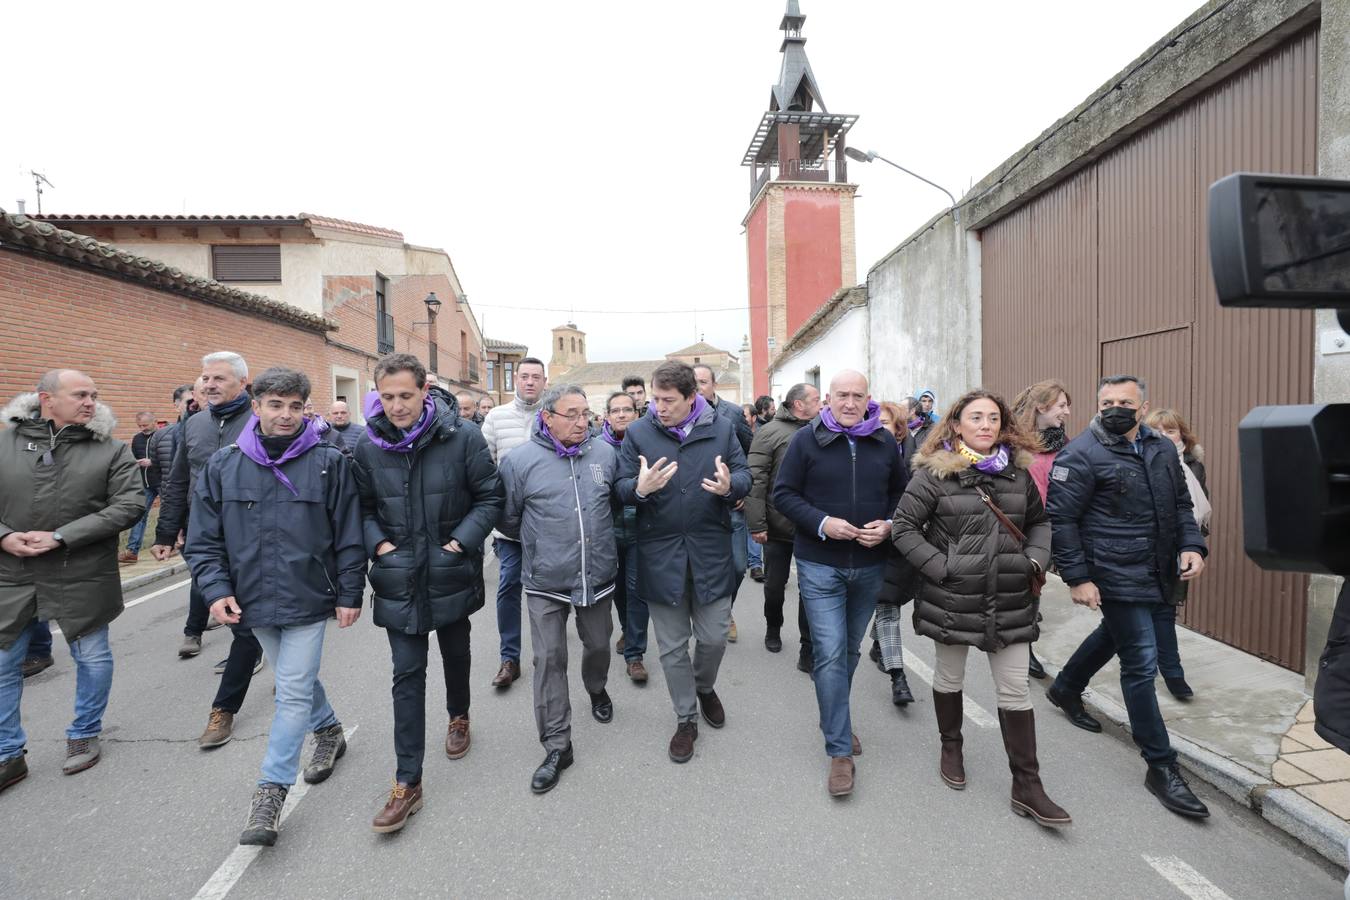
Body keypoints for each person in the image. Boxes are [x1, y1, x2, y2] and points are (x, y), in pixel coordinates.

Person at [183, 367, 364, 847]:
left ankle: (270, 791)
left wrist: (350, 592)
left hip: (308, 598)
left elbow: (349, 533)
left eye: (295, 406)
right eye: (275, 405)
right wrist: (216, 590)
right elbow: (204, 541)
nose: (285, 415)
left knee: (290, 692)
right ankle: (329, 731)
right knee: (293, 678)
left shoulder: (330, 462)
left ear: (307, 409)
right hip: (251, 601)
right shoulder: (223, 465)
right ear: (256, 405)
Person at [892, 389, 1070, 827]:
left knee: (1015, 689)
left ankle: (1027, 785)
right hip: (954, 597)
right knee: (950, 677)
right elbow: (903, 527)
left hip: (1010, 596)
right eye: (976, 417)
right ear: (956, 425)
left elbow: (1040, 522)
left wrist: (1036, 559)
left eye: (993, 417)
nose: (986, 424)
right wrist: (942, 568)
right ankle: (951, 745)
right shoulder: (934, 475)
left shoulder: (1017, 473)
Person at [1045, 375, 1210, 818]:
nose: (1115, 407)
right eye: (1106, 401)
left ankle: (1065, 687)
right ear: (1097, 406)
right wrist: (1077, 577)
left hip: (1157, 567)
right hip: (1112, 571)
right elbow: (1062, 521)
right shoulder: (1080, 453)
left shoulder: (1159, 447)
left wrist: (1192, 545)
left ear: (1143, 406)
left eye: (1125, 401)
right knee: (1141, 661)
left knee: (1115, 635)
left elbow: (1180, 505)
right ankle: (1160, 765)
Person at [353, 353, 503, 833]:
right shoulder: (368, 445)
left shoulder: (462, 437)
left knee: (456, 656)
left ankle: (459, 715)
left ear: (424, 391)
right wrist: (379, 544)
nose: (397, 406)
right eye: (388, 396)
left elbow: (490, 496)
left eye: (405, 395)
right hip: (399, 578)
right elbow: (361, 506)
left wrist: (461, 542)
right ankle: (407, 782)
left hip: (451, 571)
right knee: (406, 675)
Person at [0, 370, 144, 792]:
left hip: (81, 572)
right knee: (5, 665)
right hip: (13, 574)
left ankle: (84, 733)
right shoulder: (5, 443)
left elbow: (131, 503)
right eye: (81, 394)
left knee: (92, 655)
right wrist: (4, 537)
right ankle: (8, 753)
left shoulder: (111, 450)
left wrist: (63, 536)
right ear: (47, 398)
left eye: (95, 396)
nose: (91, 402)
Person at [774, 371, 907, 797]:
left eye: (857, 395)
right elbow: (784, 494)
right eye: (841, 395)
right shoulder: (805, 441)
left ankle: (834, 716)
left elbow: (902, 495)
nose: (849, 403)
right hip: (820, 565)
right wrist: (822, 523)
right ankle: (838, 750)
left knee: (848, 650)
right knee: (830, 653)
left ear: (868, 398)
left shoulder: (884, 442)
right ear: (827, 399)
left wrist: (888, 525)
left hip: (869, 564)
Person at [615, 361, 749, 764]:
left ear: (693, 397)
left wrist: (730, 487)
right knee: (672, 648)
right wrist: (638, 489)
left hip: (710, 550)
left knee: (711, 638)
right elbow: (620, 486)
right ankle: (686, 718)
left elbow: (744, 474)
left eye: (668, 400)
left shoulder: (722, 428)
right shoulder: (639, 432)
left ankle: (704, 686)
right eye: (655, 399)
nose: (658, 407)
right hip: (659, 553)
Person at [499, 385, 618, 794]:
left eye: (586, 414)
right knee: (549, 659)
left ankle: (597, 687)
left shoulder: (605, 454)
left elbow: (614, 507)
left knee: (599, 645)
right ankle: (556, 746)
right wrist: (541, 544)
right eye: (572, 414)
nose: (582, 422)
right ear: (547, 417)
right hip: (545, 581)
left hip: (597, 575)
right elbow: (508, 518)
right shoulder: (518, 462)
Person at [152, 352, 267, 749]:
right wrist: (166, 533)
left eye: (218, 377)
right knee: (236, 614)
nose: (209, 384)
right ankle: (267, 661)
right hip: (207, 535)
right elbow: (177, 479)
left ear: (242, 382)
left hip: (255, 535)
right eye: (204, 378)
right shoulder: (193, 424)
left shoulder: (259, 421)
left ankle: (224, 709)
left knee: (248, 620)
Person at [481, 356, 547, 689]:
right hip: (508, 526)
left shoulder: (554, 415)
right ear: (515, 380)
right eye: (525, 376)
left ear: (545, 381)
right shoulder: (496, 417)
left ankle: (549, 654)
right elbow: (483, 466)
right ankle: (510, 658)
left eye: (536, 376)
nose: (530, 382)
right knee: (509, 585)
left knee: (550, 590)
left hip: (549, 524)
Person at [745, 382, 820, 668]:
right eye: (816, 399)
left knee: (810, 590)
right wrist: (757, 524)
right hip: (776, 527)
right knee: (775, 586)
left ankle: (807, 646)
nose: (821, 403)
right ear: (799, 404)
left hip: (810, 526)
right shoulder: (769, 433)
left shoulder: (819, 430)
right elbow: (756, 481)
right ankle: (773, 627)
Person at [1011, 379, 1074, 682]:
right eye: (1062, 405)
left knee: (1034, 590)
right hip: (1018, 530)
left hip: (1049, 530)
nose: (1068, 411)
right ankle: (1022, 648)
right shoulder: (1013, 445)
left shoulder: (1065, 446)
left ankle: (1023, 643)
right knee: (1024, 591)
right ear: (1041, 406)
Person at [692, 364, 753, 642]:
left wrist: (742, 491)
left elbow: (750, 457)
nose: (697, 387)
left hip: (731, 503)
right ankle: (712, 614)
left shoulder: (732, 414)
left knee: (739, 566)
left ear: (714, 384)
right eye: (693, 383)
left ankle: (725, 610)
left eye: (703, 382)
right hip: (698, 504)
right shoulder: (683, 416)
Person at [868, 401, 917, 706]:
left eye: (884, 422)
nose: (878, 427)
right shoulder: (865, 452)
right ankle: (898, 676)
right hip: (872, 540)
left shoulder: (920, 460)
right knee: (888, 607)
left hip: (905, 542)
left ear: (898, 429)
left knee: (891, 601)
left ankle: (878, 644)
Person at [601, 391, 650, 683]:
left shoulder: (647, 444)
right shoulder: (595, 446)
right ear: (607, 416)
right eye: (615, 410)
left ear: (637, 413)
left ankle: (635, 654)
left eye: (627, 410)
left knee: (637, 589)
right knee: (618, 588)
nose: (621, 414)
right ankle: (626, 629)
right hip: (607, 530)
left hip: (641, 528)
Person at [118, 412, 161, 565]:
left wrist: (152, 462)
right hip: (145, 482)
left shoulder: (163, 436)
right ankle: (132, 551)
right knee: (139, 515)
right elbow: (133, 458)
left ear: (154, 422)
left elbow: (171, 458)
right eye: (140, 426)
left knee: (170, 513)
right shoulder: (137, 439)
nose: (143, 428)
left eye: (145, 425)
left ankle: (170, 543)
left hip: (163, 481)